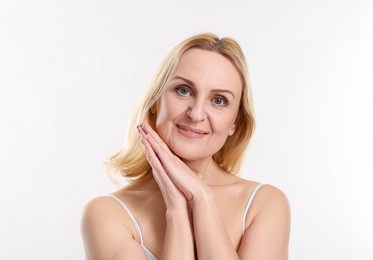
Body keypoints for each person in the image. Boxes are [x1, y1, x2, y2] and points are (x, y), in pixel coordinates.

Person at [81, 33, 291, 260]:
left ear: (235, 123)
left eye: (218, 100)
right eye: (183, 90)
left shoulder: (265, 205)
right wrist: (177, 209)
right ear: (155, 102)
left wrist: (202, 199)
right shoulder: (106, 215)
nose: (197, 113)